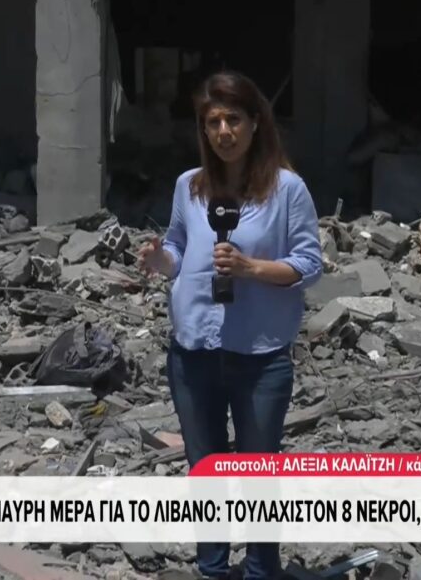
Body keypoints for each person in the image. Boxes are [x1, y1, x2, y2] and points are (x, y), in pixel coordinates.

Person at [138, 71, 322, 579]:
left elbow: (309, 264)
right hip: (193, 352)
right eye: (213, 121)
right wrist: (161, 260)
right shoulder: (189, 187)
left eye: (233, 119)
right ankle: (212, 568)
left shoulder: (287, 190)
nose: (224, 132)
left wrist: (251, 268)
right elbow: (178, 246)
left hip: (259, 357)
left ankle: (262, 570)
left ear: (255, 123)